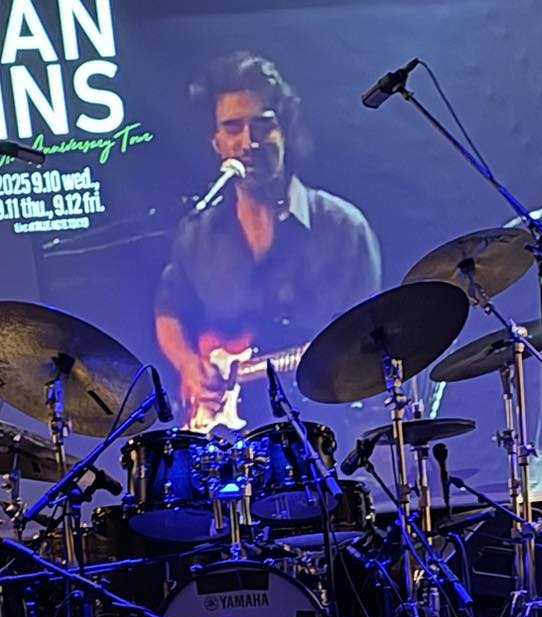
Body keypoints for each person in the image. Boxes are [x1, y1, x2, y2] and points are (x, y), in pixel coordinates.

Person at [153, 53, 382, 432]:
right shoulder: (198, 231)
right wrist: (189, 366)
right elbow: (169, 309)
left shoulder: (343, 227)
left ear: (285, 131)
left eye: (263, 125)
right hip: (229, 437)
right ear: (216, 142)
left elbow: (371, 337)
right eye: (232, 128)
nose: (249, 142)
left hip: (324, 425)